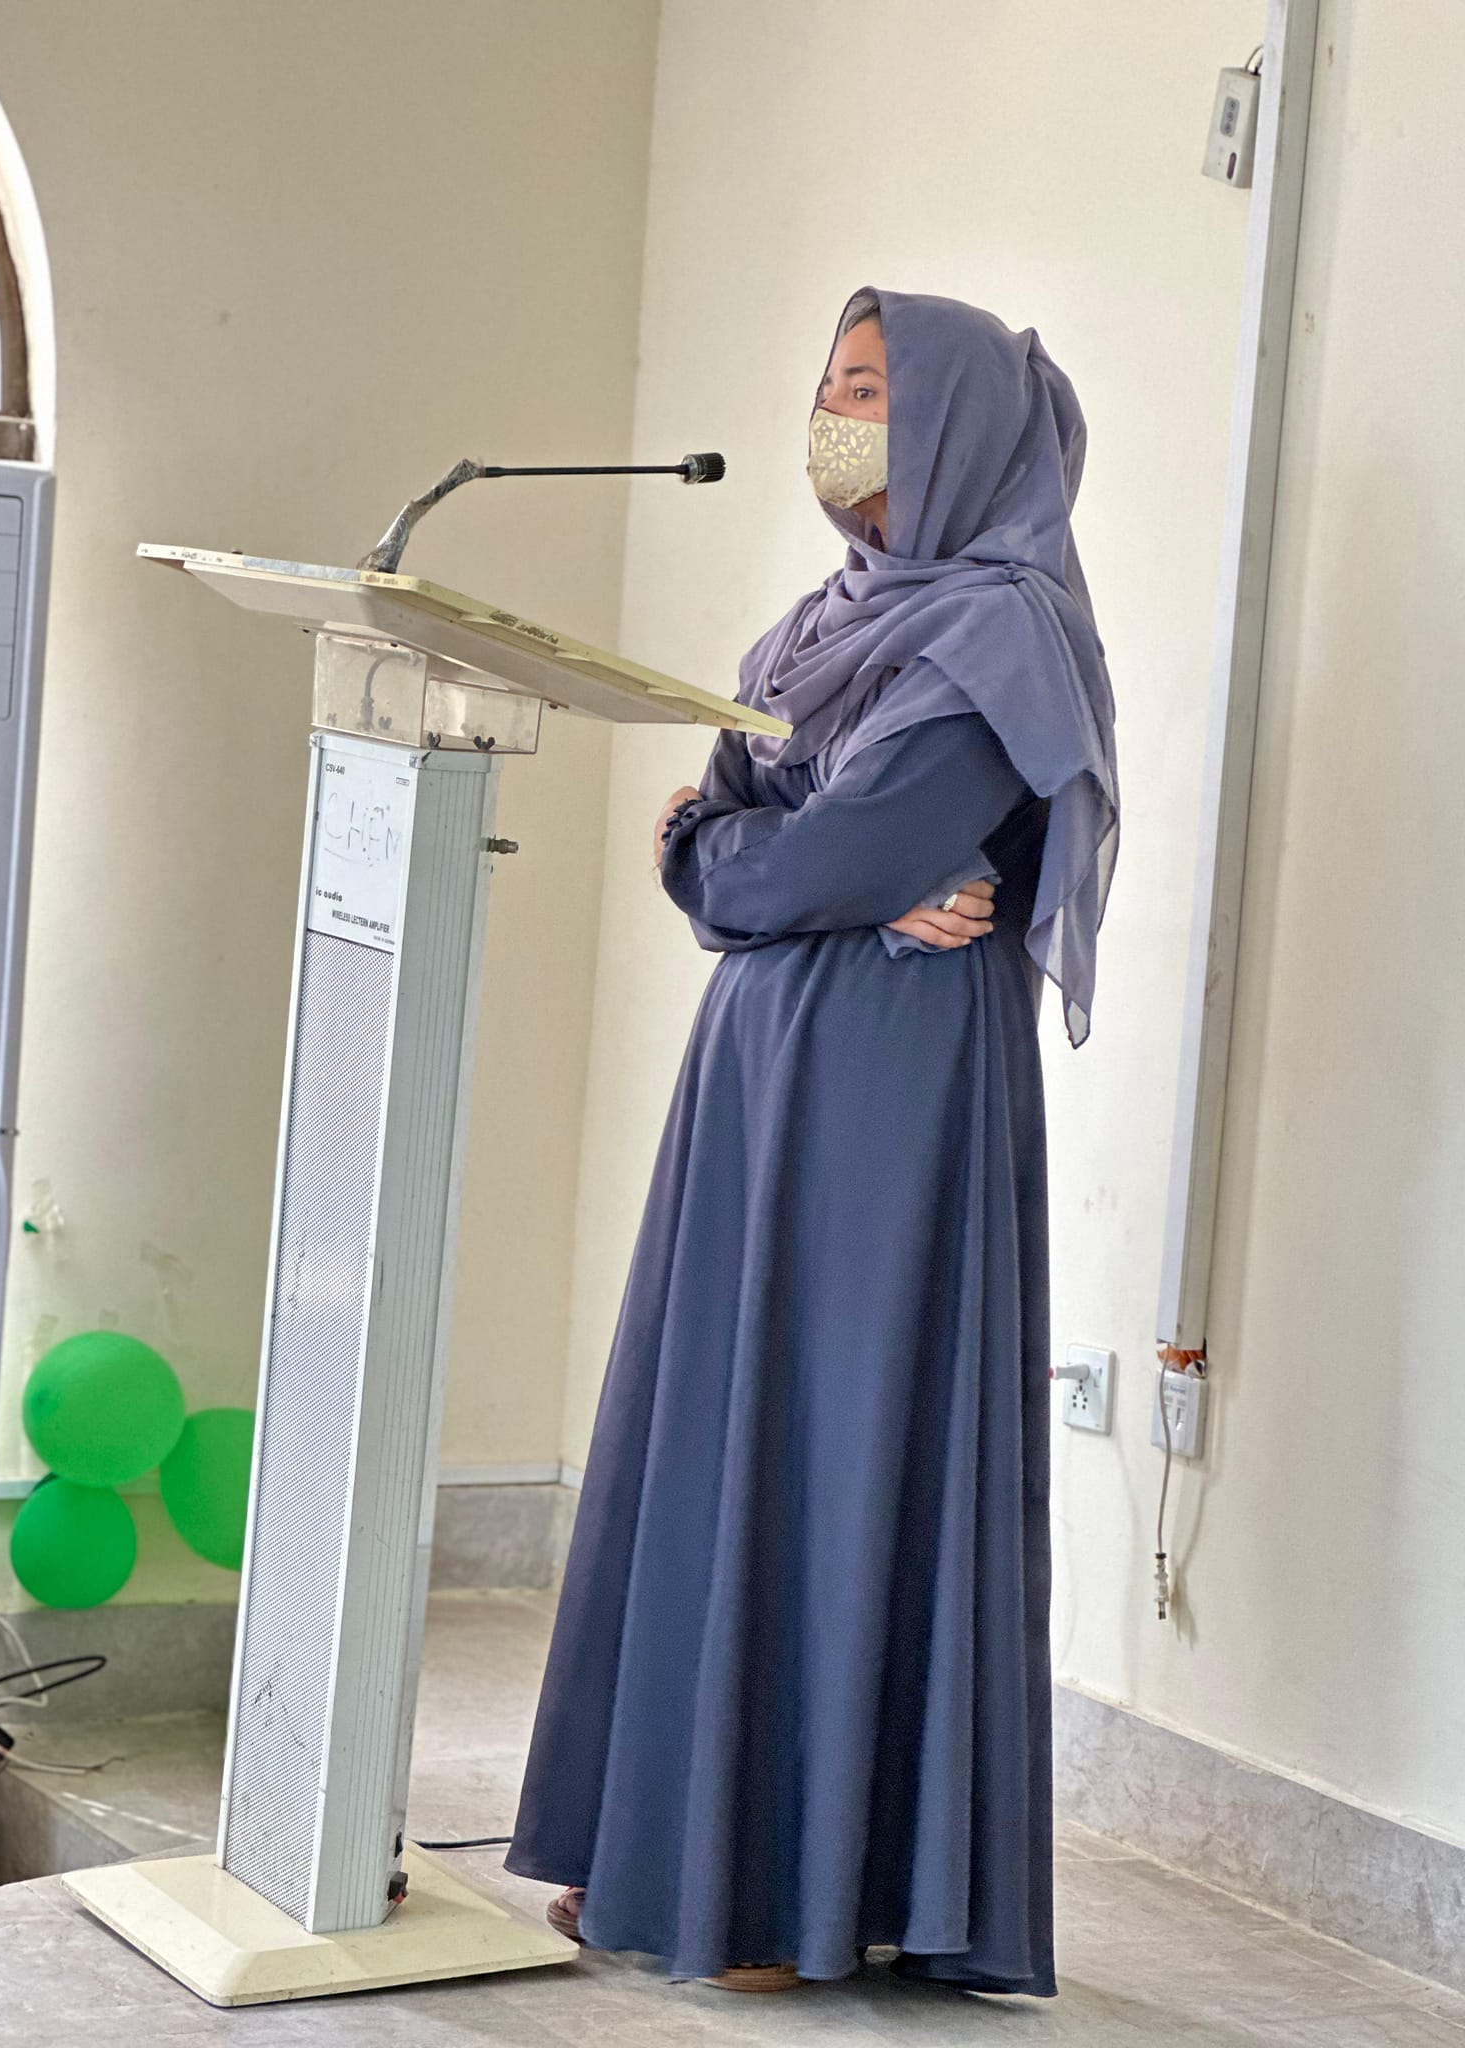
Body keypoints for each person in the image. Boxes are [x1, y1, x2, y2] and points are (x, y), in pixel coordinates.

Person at [503, 285, 1120, 1997]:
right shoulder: (820, 627)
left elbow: (815, 855)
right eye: (830, 383)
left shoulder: (999, 642)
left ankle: (796, 1892)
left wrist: (749, 858)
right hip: (763, 1072)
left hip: (887, 1098)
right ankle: (669, 1854)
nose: (835, 417)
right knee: (716, 1425)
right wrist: (740, 853)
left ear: (962, 432)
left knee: (831, 1441)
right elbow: (743, 827)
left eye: (870, 388)